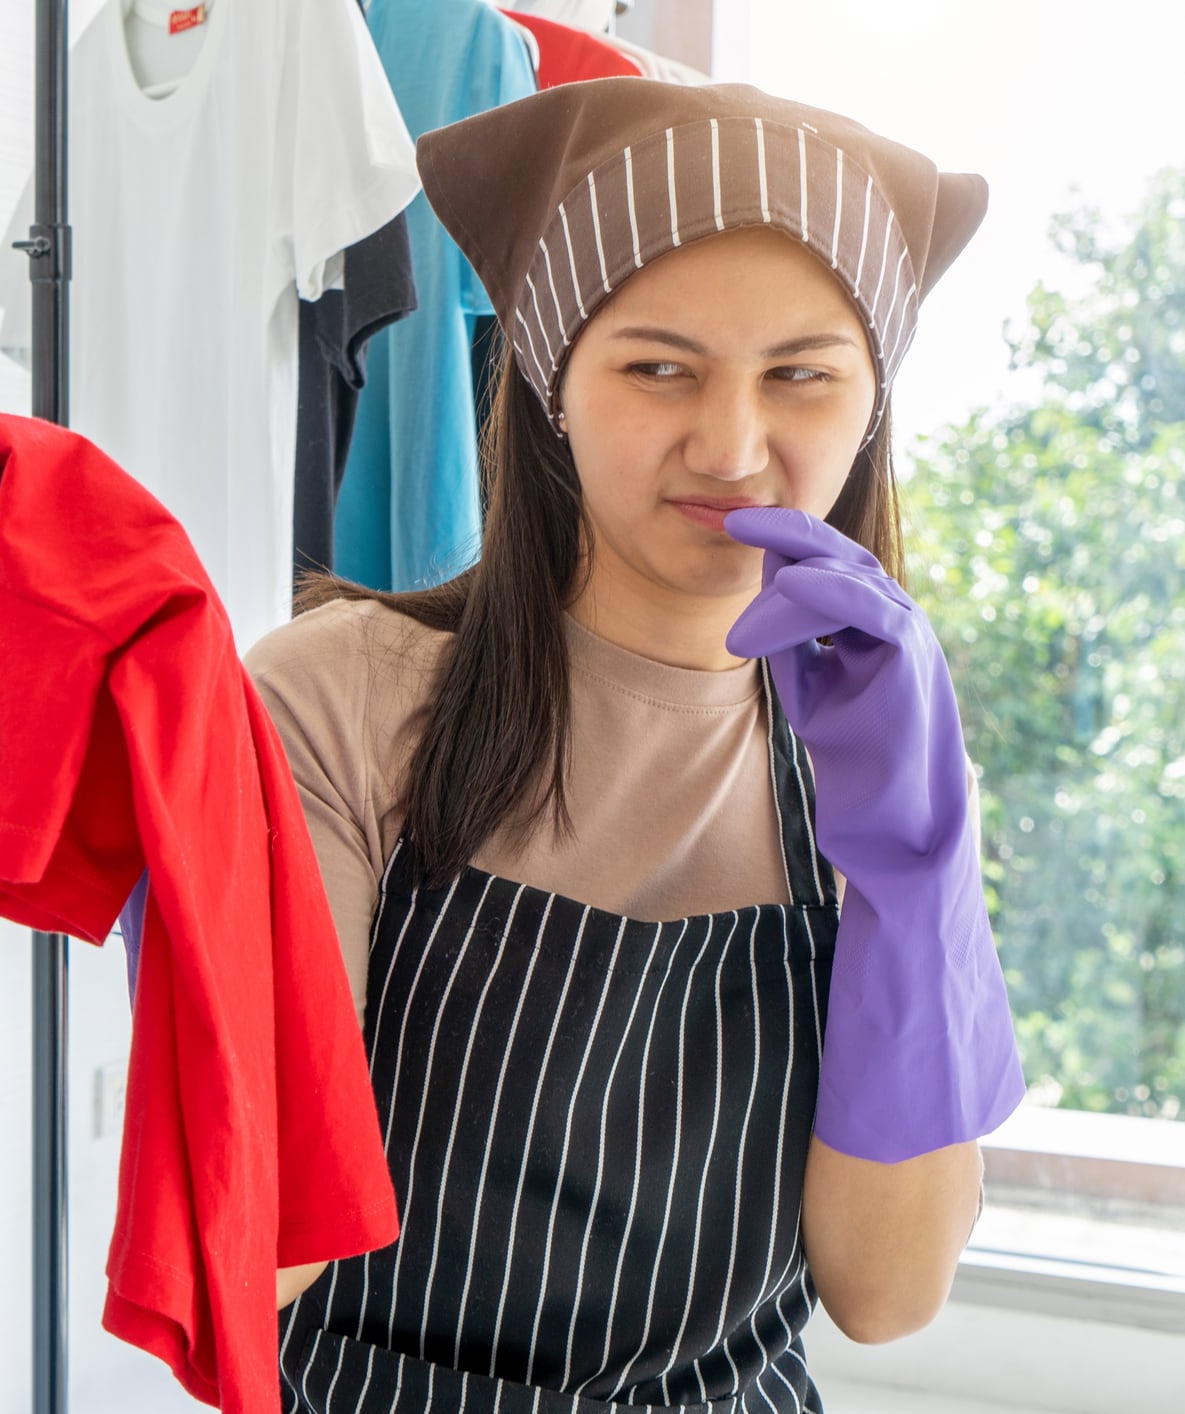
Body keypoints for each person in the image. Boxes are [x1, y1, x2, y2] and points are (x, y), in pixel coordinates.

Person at [251, 79, 1026, 1413]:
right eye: (657, 366)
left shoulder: (876, 745)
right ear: (552, 380)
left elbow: (885, 1294)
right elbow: (257, 1254)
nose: (730, 447)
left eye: (800, 376)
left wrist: (914, 872)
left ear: (869, 404)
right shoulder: (341, 699)